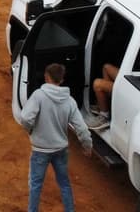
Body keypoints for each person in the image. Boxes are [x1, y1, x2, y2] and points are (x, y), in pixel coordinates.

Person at [21, 62, 93, 212]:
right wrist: (87, 146)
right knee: (64, 183)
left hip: (40, 150)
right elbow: (81, 128)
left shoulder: (39, 96)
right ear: (61, 80)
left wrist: (31, 130)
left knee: (35, 185)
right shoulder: (70, 101)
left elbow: (26, 119)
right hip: (60, 150)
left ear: (46, 77)